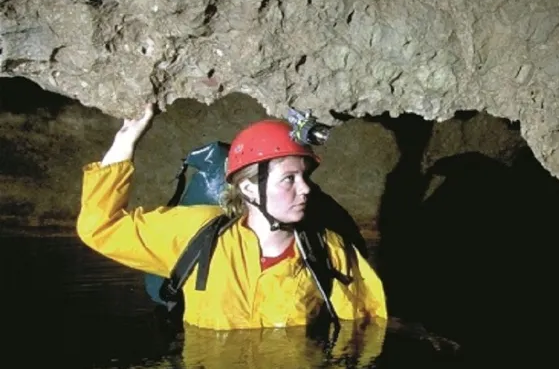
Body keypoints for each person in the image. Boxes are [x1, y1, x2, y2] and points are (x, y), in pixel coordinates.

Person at [76, 103, 387, 331]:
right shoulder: (196, 234)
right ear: (249, 188)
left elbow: (364, 324)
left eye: (304, 176)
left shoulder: (329, 250)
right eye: (289, 179)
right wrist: (126, 139)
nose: (306, 188)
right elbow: (100, 226)